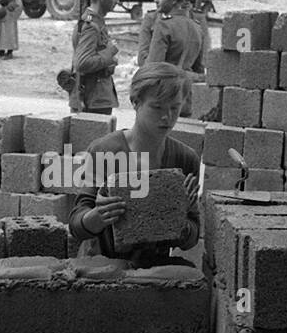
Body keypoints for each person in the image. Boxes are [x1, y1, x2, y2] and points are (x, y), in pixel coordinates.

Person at [68, 62, 201, 268]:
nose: (167, 117)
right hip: (100, 267)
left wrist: (179, 217)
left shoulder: (185, 159)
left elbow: (190, 239)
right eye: (157, 107)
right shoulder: (105, 151)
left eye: (175, 107)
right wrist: (99, 216)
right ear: (135, 102)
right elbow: (77, 226)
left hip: (153, 271)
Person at [138, 0, 202, 116]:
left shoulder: (164, 26)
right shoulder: (197, 26)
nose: (156, 0)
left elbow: (152, 67)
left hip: (163, 98)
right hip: (186, 97)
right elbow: (199, 67)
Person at [69, 0, 120, 114]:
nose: (117, 1)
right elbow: (82, 63)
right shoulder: (91, 26)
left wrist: (109, 60)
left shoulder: (92, 20)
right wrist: (109, 54)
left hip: (93, 96)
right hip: (92, 99)